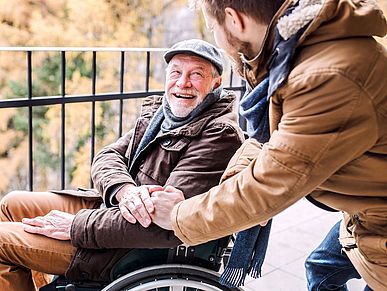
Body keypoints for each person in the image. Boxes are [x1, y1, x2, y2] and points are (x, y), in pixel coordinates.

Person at [132, 1, 387, 290]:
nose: (215, 37)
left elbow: (269, 186)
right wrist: (233, 181)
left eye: (213, 28)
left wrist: (178, 216)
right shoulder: (296, 52)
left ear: (234, 20)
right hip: (364, 211)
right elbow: (266, 141)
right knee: (321, 268)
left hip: (379, 224)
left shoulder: (326, 78)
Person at [0, 38, 244, 291]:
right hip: (113, 210)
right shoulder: (162, 113)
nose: (183, 83)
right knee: (12, 203)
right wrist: (125, 191)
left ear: (216, 83)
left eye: (196, 74)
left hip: (127, 247)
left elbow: (168, 226)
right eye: (176, 73)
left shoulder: (219, 135)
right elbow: (107, 156)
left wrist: (74, 226)